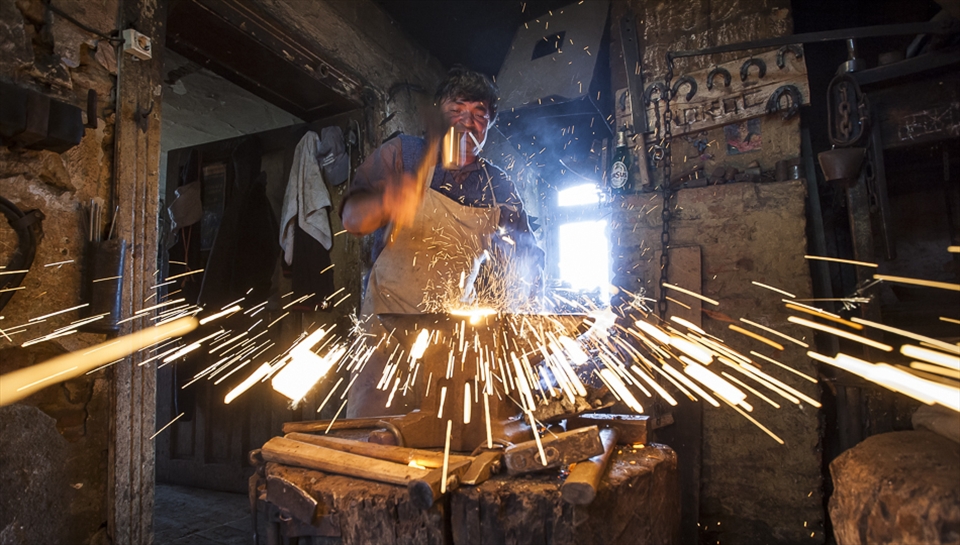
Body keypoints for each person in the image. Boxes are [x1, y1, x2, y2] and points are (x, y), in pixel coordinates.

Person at [340, 66, 543, 417]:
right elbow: (352, 219)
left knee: (442, 436)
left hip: (448, 337)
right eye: (457, 109)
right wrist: (387, 201)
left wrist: (528, 312)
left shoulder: (498, 186)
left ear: (489, 126)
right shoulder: (403, 154)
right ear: (439, 111)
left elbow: (524, 258)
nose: (468, 122)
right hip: (385, 330)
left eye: (480, 114)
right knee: (373, 437)